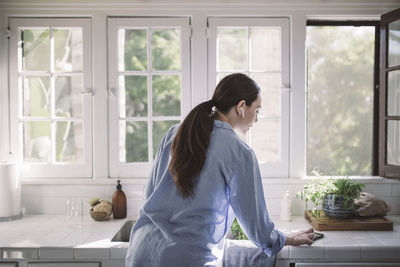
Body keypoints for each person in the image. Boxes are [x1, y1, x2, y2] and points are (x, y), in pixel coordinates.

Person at [125, 73, 314, 267]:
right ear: (241, 107)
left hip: (141, 252)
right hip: (186, 259)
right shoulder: (240, 152)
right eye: (257, 110)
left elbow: (149, 195)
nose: (256, 119)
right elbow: (258, 228)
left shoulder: (175, 133)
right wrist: (285, 239)